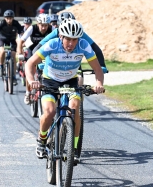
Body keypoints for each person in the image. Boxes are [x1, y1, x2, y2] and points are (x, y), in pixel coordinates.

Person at [24, 18, 104, 163]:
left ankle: (72, 149)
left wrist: (98, 83)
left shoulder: (84, 45)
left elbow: (97, 68)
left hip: (71, 81)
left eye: (75, 40)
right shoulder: (52, 44)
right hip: (50, 81)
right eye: (68, 39)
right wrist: (31, 81)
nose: (71, 44)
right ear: (61, 36)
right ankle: (41, 140)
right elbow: (30, 63)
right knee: (49, 112)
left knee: (74, 108)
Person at [32, 12, 108, 72]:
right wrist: (39, 62)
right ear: (59, 27)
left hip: (74, 60)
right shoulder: (55, 33)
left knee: (79, 77)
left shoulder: (79, 33)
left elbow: (96, 48)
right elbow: (37, 48)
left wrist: (102, 65)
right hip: (54, 61)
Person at [16, 13, 53, 104]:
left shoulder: (52, 29)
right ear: (37, 24)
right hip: (32, 50)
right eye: (42, 25)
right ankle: (28, 92)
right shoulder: (32, 28)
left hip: (46, 52)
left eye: (46, 25)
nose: (44, 28)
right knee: (30, 72)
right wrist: (20, 53)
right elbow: (21, 41)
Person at [0, 9, 24, 85]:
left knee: (13, 56)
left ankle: (14, 76)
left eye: (10, 18)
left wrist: (22, 41)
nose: (9, 20)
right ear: (5, 18)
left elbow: (22, 33)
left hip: (11, 39)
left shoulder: (16, 23)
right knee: (2, 51)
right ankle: (1, 66)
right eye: (7, 18)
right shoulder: (2, 23)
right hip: (2, 39)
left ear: (13, 18)